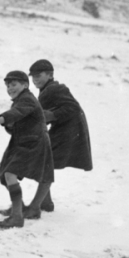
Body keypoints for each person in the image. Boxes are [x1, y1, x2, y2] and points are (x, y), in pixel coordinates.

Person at [0, 70, 54, 228]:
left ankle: (17, 217)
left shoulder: (28, 99)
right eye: (8, 85)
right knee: (2, 172)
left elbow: (18, 112)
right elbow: (17, 121)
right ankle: (20, 207)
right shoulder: (19, 100)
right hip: (22, 142)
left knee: (10, 173)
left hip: (34, 142)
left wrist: (0, 119)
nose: (10, 88)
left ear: (25, 85)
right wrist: (8, 124)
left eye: (14, 84)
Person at [28, 59, 93, 212]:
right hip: (65, 128)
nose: (35, 79)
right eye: (33, 76)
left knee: (44, 161)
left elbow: (73, 107)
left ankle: (36, 206)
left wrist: (51, 115)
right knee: (43, 160)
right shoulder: (48, 89)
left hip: (69, 131)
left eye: (38, 75)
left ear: (50, 75)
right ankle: (45, 203)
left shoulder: (54, 89)